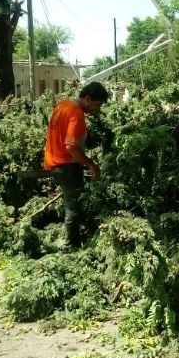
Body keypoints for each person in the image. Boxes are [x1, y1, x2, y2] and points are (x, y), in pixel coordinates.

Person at [43, 81, 109, 249]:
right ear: (87, 98)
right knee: (74, 206)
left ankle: (73, 242)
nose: (98, 109)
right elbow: (71, 146)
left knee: (72, 203)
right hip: (67, 164)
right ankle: (70, 247)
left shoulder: (63, 105)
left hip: (55, 160)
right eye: (97, 104)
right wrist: (91, 164)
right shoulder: (76, 113)